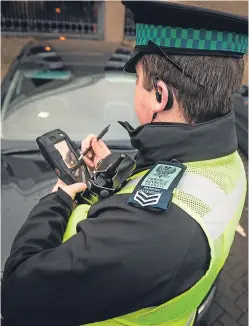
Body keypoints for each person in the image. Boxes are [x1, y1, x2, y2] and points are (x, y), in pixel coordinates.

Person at [2, 1, 248, 326]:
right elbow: (172, 175)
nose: (135, 92)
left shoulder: (151, 233)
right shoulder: (227, 161)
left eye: (136, 81)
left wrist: (57, 198)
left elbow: (18, 293)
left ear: (160, 95)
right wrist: (111, 164)